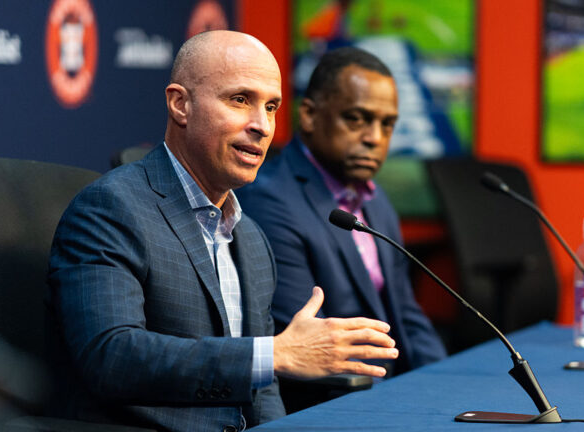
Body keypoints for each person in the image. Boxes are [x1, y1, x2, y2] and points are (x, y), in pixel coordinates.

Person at [47, 31, 398, 432]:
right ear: (180, 104)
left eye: (271, 107)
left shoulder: (251, 237)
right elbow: (111, 357)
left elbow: (263, 390)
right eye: (240, 100)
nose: (262, 126)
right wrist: (273, 354)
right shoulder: (111, 208)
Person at [237, 47, 447, 396]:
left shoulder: (375, 199)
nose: (374, 138)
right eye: (356, 119)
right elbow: (304, 344)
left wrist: (443, 384)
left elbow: (406, 314)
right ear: (309, 115)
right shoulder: (271, 201)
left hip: (390, 388)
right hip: (335, 399)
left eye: (387, 124)